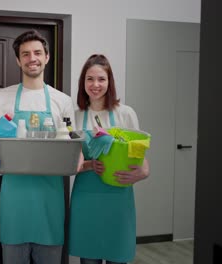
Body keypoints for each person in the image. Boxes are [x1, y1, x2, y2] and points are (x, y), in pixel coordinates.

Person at [0, 29, 76, 264]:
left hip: (50, 202)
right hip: (14, 202)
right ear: (18, 60)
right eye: (25, 54)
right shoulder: (1, 98)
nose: (31, 58)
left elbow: (70, 154)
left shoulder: (63, 101)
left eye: (37, 52)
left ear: (47, 57)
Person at [68, 54, 150, 264]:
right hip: (86, 199)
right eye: (90, 79)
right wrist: (88, 165)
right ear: (83, 82)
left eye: (101, 79)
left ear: (109, 81)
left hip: (118, 199)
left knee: (117, 256)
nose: (95, 85)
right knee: (89, 259)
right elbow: (67, 161)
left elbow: (140, 158)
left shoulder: (126, 113)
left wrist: (142, 173)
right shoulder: (75, 116)